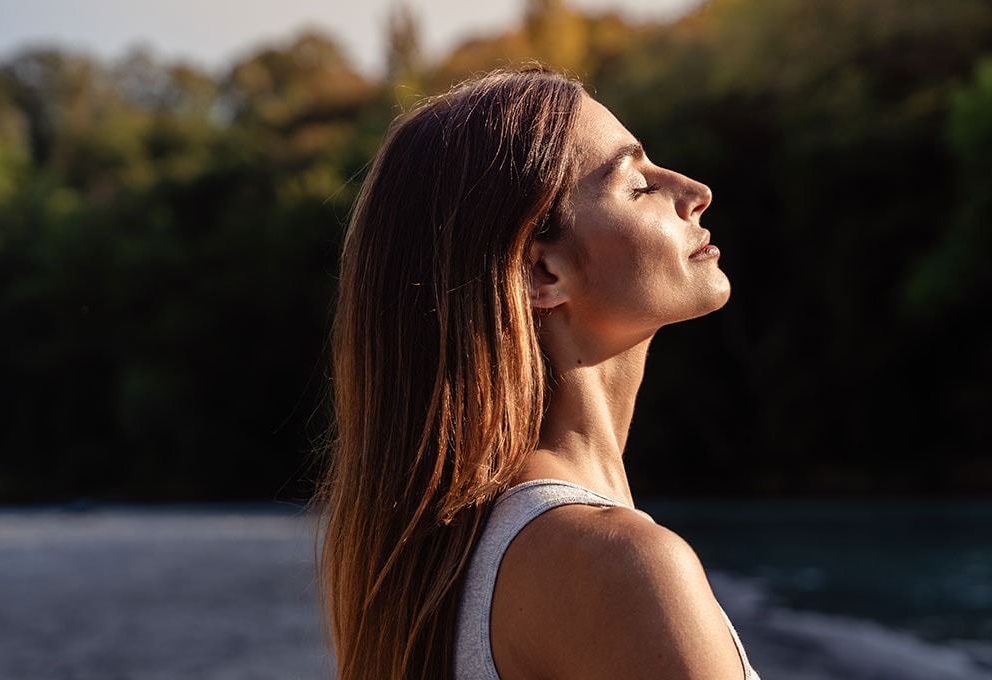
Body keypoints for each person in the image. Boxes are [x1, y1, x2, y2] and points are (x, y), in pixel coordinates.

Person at [320, 68, 759, 680]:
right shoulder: (620, 566)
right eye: (636, 185)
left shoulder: (446, 572)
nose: (694, 190)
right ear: (541, 273)